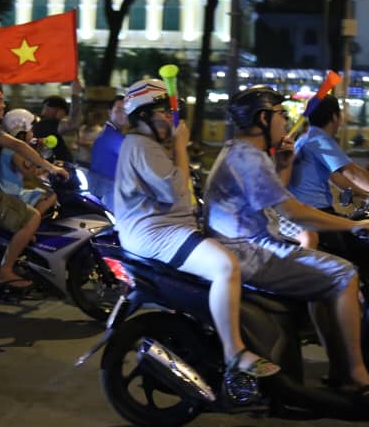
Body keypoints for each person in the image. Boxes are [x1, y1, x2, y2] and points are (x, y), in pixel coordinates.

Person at [206, 86, 369, 412]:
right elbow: (292, 211)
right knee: (344, 274)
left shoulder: (245, 153)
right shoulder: (247, 157)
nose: (286, 122)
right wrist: (354, 225)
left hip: (250, 241)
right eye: (282, 115)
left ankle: (341, 367)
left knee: (325, 272)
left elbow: (272, 198)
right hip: (248, 249)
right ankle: (355, 375)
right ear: (263, 118)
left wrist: (284, 164)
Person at [114, 79, 278, 379]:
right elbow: (174, 189)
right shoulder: (140, 144)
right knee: (225, 267)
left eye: (169, 112)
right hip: (155, 233)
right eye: (162, 112)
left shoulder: (147, 146)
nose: (168, 118)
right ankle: (234, 351)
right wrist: (180, 145)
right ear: (142, 116)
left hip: (165, 229)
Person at [0, 84, 69, 289]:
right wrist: (51, 168)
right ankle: (5, 271)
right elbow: (18, 146)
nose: (3, 105)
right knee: (32, 216)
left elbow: (23, 146)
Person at [288, 95, 369, 249]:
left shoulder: (307, 138)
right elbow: (351, 172)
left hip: (309, 211)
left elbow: (336, 176)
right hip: (314, 212)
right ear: (334, 116)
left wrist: (366, 196)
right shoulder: (320, 140)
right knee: (362, 244)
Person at [0, 108, 57, 215]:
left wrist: (43, 170)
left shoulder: (14, 148)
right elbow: (29, 174)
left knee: (43, 193)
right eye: (30, 130)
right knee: (51, 195)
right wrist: (38, 151)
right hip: (10, 195)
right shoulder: (13, 150)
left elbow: (28, 170)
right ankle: (31, 222)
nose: (32, 134)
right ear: (20, 130)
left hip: (14, 191)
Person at [88, 94, 128, 208]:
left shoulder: (109, 132)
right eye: (119, 110)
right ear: (110, 112)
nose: (123, 114)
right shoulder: (112, 136)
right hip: (109, 190)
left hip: (103, 187)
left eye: (126, 110)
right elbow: (135, 158)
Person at [31, 80, 83, 162]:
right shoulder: (49, 124)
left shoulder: (36, 123)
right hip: (56, 169)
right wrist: (75, 95)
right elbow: (74, 123)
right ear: (60, 112)